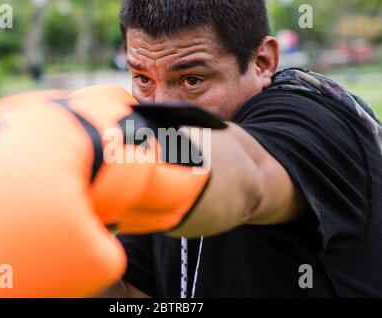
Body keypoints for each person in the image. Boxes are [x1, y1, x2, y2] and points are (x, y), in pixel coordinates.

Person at [105, 0, 382, 297]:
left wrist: (95, 146)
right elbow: (131, 296)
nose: (158, 108)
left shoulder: (313, 121)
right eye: (143, 79)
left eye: (191, 80)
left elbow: (249, 177)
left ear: (262, 61)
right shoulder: (158, 165)